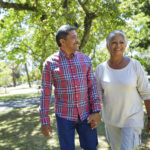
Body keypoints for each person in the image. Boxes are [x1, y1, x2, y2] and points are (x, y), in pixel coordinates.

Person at [39, 25, 101, 150]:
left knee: (91, 147)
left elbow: (92, 87)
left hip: (86, 115)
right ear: (62, 41)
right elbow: (45, 94)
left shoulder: (85, 59)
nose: (77, 40)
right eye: (73, 37)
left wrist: (96, 111)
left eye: (77, 37)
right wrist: (44, 121)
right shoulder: (49, 63)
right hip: (64, 117)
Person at [95, 30, 150, 150]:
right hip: (111, 120)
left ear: (125, 45)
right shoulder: (100, 69)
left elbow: (146, 93)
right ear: (107, 45)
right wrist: (95, 113)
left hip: (132, 118)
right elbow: (97, 95)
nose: (118, 46)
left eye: (121, 42)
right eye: (114, 42)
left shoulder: (135, 65)